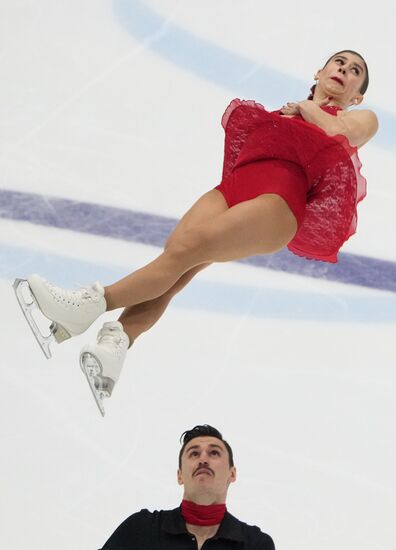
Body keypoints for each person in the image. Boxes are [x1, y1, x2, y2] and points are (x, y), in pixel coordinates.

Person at [14, 49, 378, 413]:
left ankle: (88, 305)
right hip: (235, 187)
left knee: (188, 250)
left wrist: (305, 108)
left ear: (357, 94)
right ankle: (118, 342)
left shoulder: (361, 117)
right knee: (177, 259)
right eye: (339, 62)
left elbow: (335, 130)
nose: (344, 70)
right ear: (320, 69)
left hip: (279, 202)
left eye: (354, 71)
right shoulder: (286, 111)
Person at [99, 424, 275, 549]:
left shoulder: (255, 544)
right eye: (194, 453)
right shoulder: (141, 529)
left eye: (214, 452)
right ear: (180, 475)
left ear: (232, 473)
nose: (203, 459)